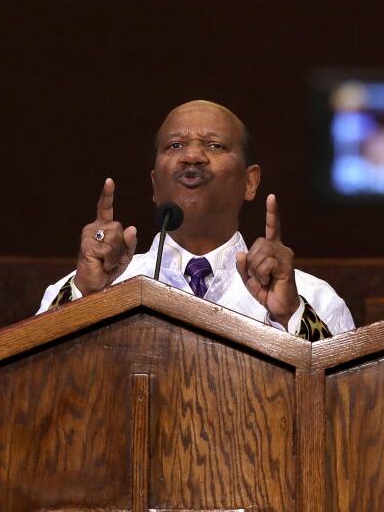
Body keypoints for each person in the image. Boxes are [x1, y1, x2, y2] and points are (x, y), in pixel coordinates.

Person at [37, 100, 355, 340]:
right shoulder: (87, 288)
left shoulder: (310, 298)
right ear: (154, 184)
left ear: (250, 182)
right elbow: (32, 386)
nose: (192, 157)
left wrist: (289, 316)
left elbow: (343, 406)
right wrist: (86, 299)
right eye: (176, 146)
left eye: (214, 145)